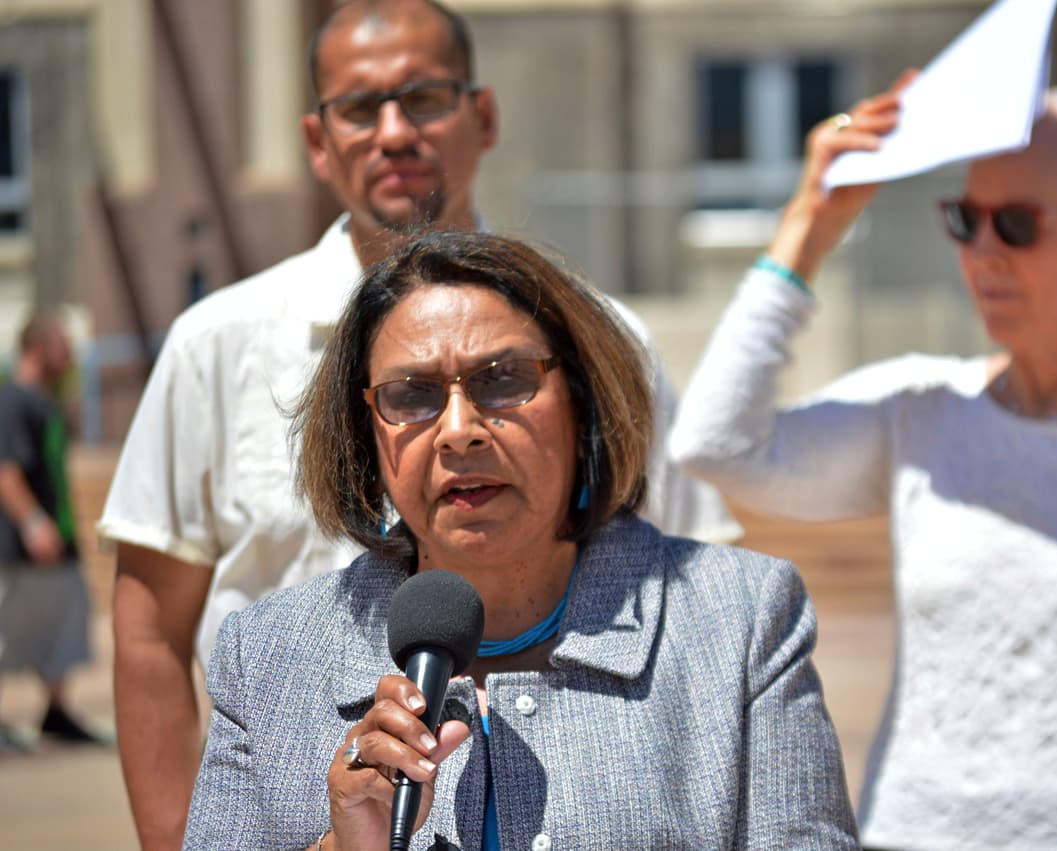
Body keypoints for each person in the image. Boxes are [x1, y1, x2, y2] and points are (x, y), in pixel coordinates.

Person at [98, 1, 738, 846]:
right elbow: (150, 631)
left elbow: (703, 589)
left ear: (485, 116)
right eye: (359, 108)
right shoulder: (217, 345)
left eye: (425, 98)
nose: (394, 132)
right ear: (317, 140)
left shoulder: (605, 341)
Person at [670, 79, 1057, 850]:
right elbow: (715, 442)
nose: (982, 252)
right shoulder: (923, 406)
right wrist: (810, 226)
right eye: (965, 219)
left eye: (1018, 223)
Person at [181, 230, 857, 849]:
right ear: (369, 433)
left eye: (503, 380)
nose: (458, 430)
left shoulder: (741, 622)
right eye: (412, 394)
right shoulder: (266, 656)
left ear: (581, 401)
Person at [0, 313, 100, 748]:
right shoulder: (13, 401)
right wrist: (33, 523)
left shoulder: (46, 401)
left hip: (58, 547)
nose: (71, 355)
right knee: (7, 630)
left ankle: (56, 713)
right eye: (63, 344)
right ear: (39, 347)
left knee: (64, 624)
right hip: (19, 548)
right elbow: (6, 472)